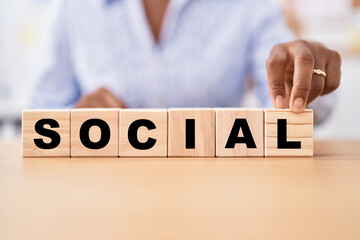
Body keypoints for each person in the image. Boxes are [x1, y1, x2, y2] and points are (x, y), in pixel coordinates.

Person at [33, 0, 341, 123]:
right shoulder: (71, 9)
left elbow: (290, 102)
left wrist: (306, 77)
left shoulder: (247, 6)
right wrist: (72, 121)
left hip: (216, 201)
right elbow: (38, 114)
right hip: (99, 202)